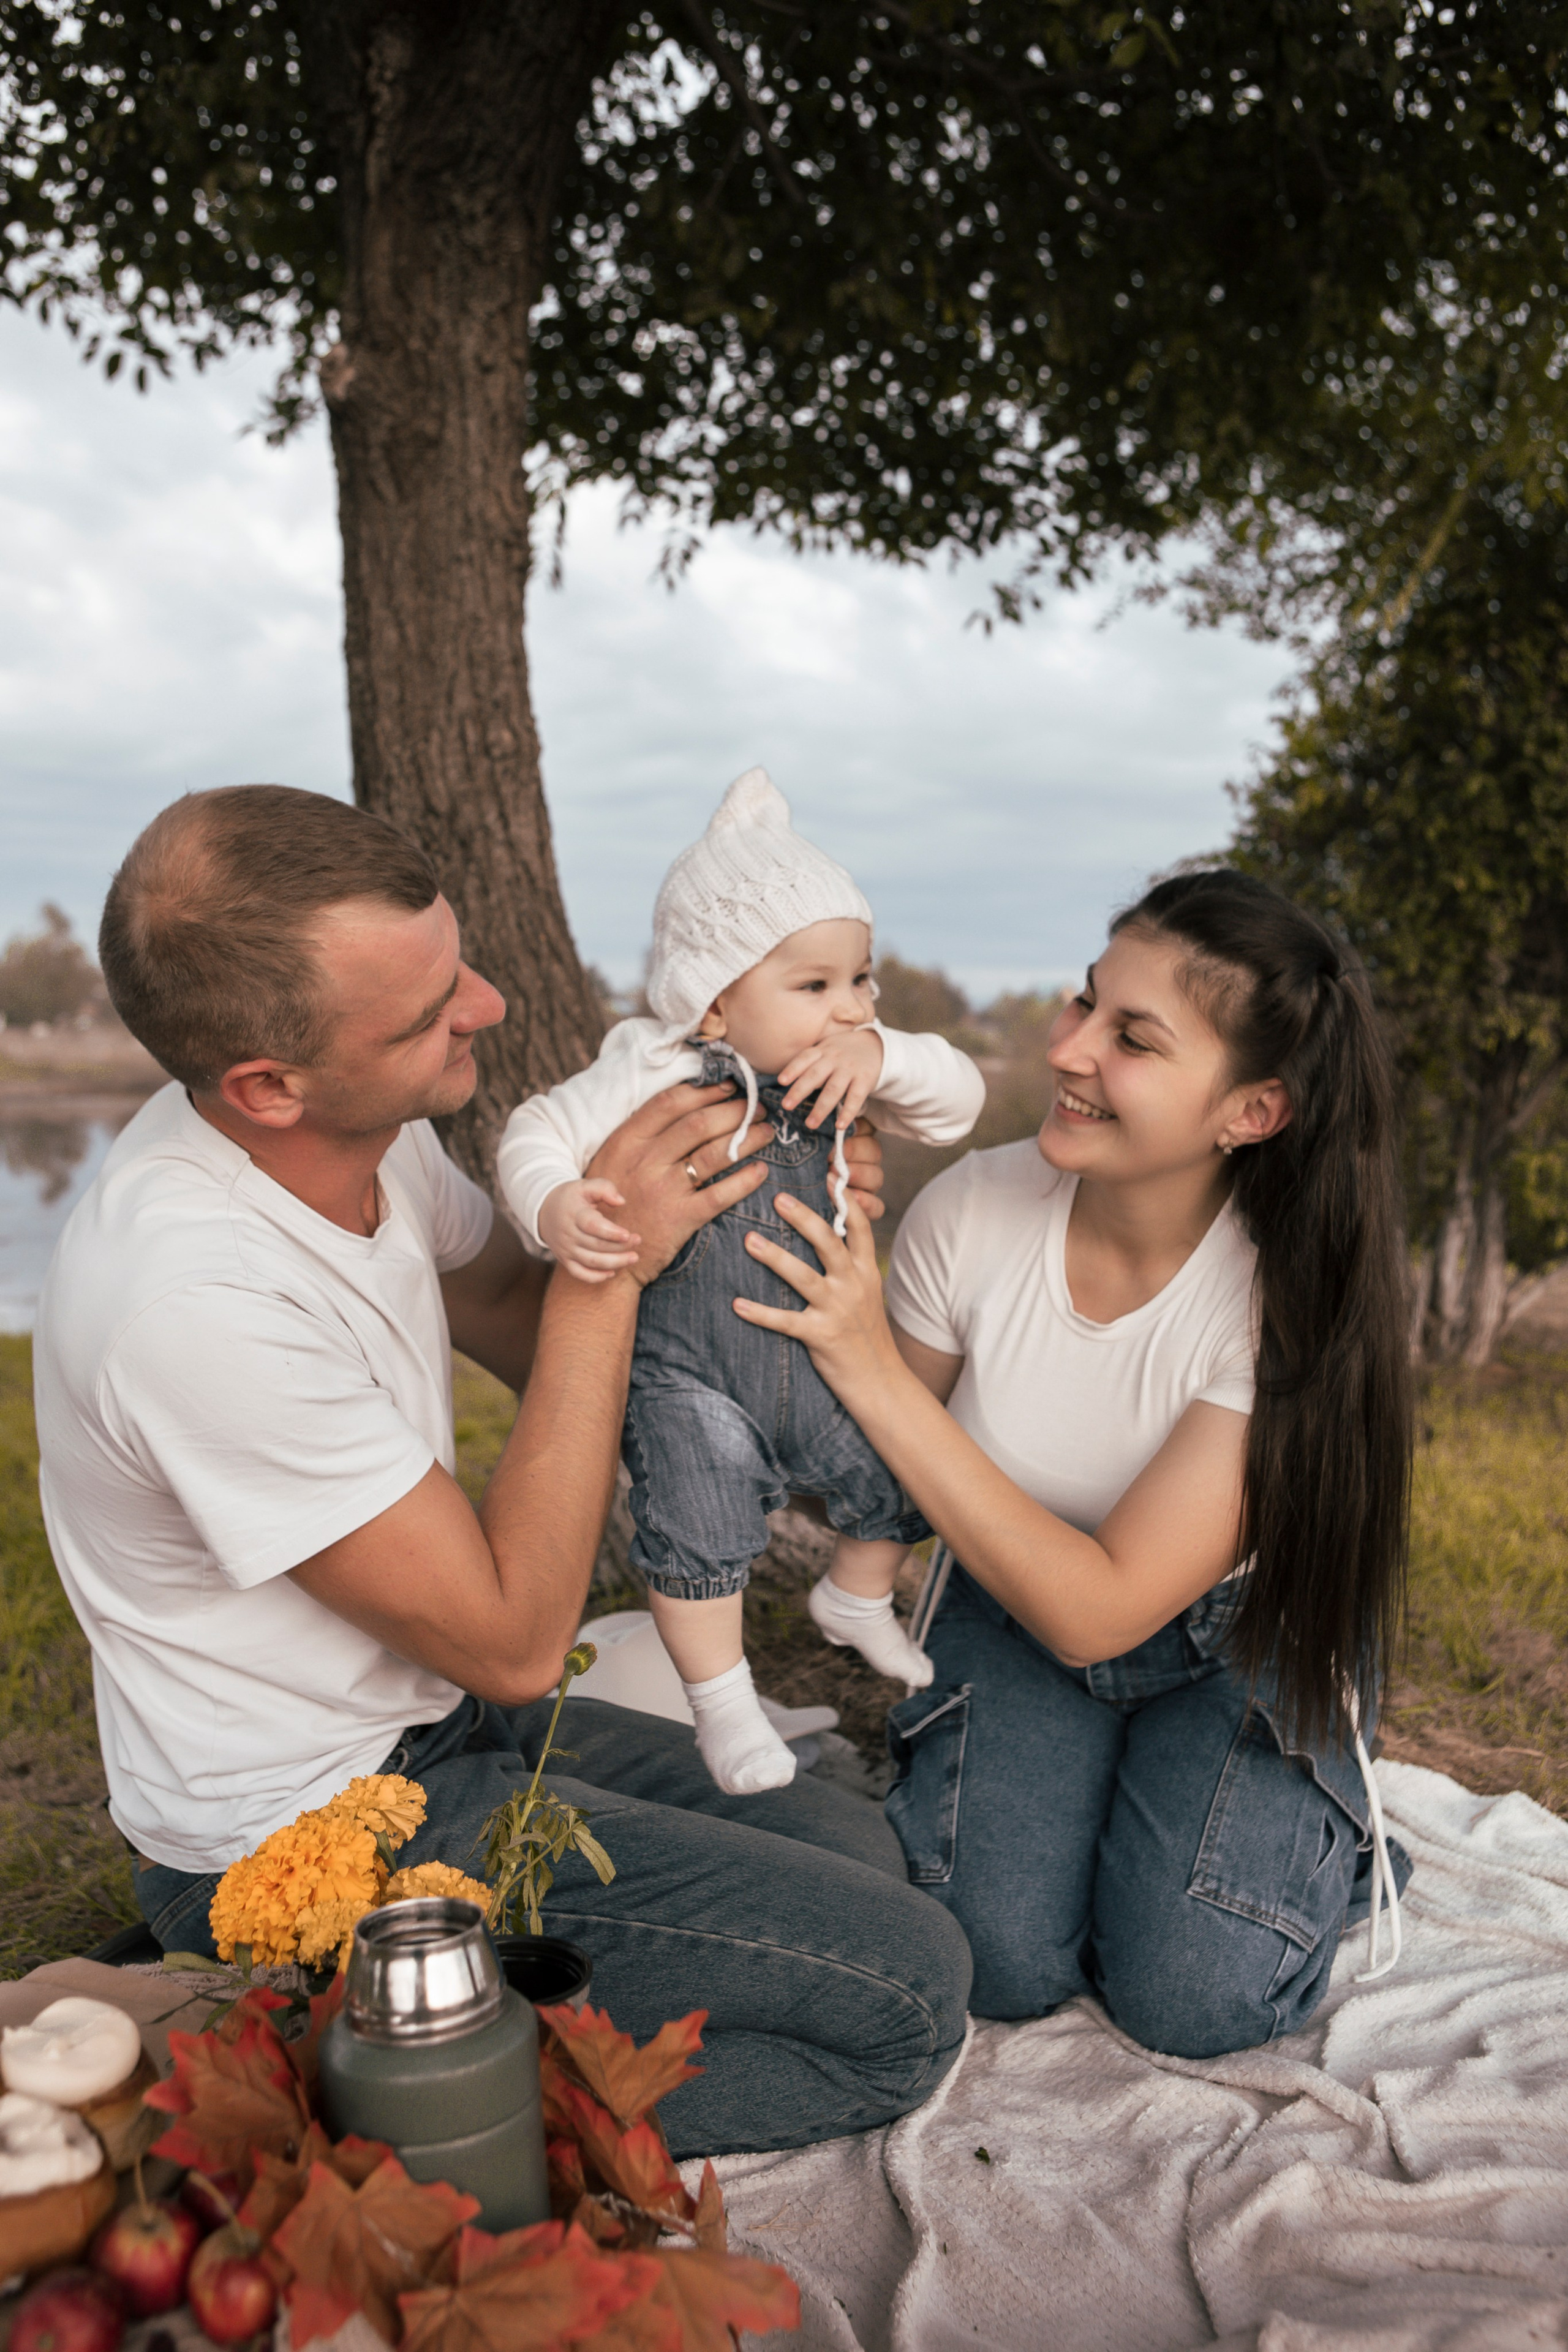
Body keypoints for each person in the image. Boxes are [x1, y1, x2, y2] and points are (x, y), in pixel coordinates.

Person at [32, 784, 971, 2157]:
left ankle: (368, 2023)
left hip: (433, 1738)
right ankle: (293, 2082)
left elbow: (529, 1338)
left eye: (454, 963)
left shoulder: (365, 1138)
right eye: (424, 1014)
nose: (484, 1004)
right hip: (302, 1843)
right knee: (903, 2000)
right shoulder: (191, 1299)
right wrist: (611, 1265)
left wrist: (724, 1227)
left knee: (856, 1853)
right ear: (266, 1086)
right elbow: (519, 1638)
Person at [729, 869, 1415, 2058]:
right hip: (1008, 1605)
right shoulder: (972, 1211)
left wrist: (874, 1369)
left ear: (1247, 1112)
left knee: (1195, 2000)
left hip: (1232, 1639)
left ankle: (1326, 1834)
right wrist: (766, 1218)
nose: (1070, 1052)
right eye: (1080, 1006)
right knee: (994, 1964)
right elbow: (856, 1466)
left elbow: (1100, 1609)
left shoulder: (1278, 1300)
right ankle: (1125, 1814)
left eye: (1132, 1039)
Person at [497, 768, 984, 1794]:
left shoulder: (850, 1067)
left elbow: (960, 1103)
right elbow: (536, 1129)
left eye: (863, 981)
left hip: (819, 1357)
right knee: (697, 1501)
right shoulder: (652, 1067)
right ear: (714, 998)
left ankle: (856, 1596)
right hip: (693, 1376)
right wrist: (554, 1203)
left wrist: (887, 1053)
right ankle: (723, 1709)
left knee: (914, 1462)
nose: (848, 1007)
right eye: (815, 987)